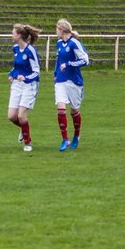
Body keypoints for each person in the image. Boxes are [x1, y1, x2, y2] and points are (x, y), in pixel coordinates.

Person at [53, 19, 89, 151]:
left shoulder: (74, 43)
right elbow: (59, 61)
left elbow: (85, 60)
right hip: (61, 81)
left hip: (74, 82)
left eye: (56, 28)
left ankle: (76, 134)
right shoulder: (58, 43)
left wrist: (68, 64)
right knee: (61, 109)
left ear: (62, 29)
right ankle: (65, 139)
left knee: (74, 110)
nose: (55, 31)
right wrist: (55, 73)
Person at [8, 24, 42, 153]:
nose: (11, 35)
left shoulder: (30, 51)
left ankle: (28, 143)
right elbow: (16, 66)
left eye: (13, 33)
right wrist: (11, 74)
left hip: (30, 86)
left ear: (19, 35)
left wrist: (26, 78)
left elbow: (36, 71)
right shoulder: (16, 48)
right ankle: (24, 129)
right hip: (17, 85)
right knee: (11, 116)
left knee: (21, 116)